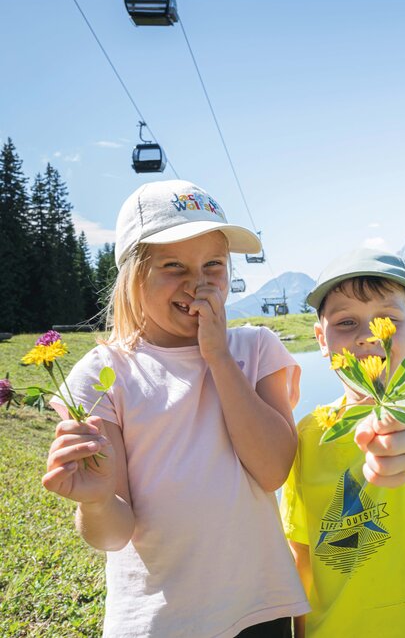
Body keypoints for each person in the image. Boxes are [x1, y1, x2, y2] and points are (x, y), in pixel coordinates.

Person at [42, 180, 310, 638]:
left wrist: (219, 357)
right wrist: (98, 500)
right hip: (159, 622)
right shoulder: (103, 373)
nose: (199, 283)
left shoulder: (256, 348)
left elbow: (272, 471)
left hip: (261, 607)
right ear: (132, 276)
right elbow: (111, 534)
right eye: (173, 266)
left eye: (213, 265)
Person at [280, 248, 405, 638]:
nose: (368, 334)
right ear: (321, 338)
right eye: (346, 321)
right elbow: (299, 551)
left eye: (387, 320)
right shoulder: (304, 434)